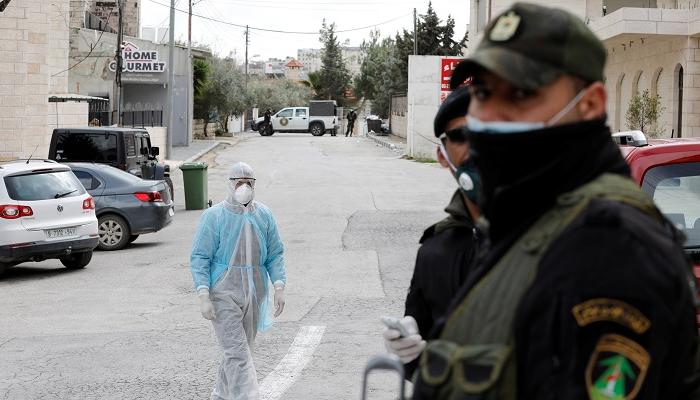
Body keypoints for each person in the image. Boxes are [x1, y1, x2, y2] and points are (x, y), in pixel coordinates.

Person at [409, 3, 700, 399]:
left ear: (590, 103)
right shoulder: (527, 221)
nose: (491, 115)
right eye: (483, 93)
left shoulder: (611, 249)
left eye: (521, 93)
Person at [383, 86, 483, 378]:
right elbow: (422, 363)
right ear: (442, 155)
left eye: (485, 133)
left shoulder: (554, 233)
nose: (476, 147)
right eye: (461, 136)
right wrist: (409, 352)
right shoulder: (435, 251)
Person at [190, 162, 287, 400]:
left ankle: (221, 395)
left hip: (255, 293)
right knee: (237, 352)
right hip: (222, 293)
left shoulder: (263, 215)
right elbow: (200, 257)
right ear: (230, 184)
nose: (244, 187)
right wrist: (203, 295)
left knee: (240, 352)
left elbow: (275, 253)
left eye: (249, 182)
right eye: (239, 182)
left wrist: (279, 286)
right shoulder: (214, 217)